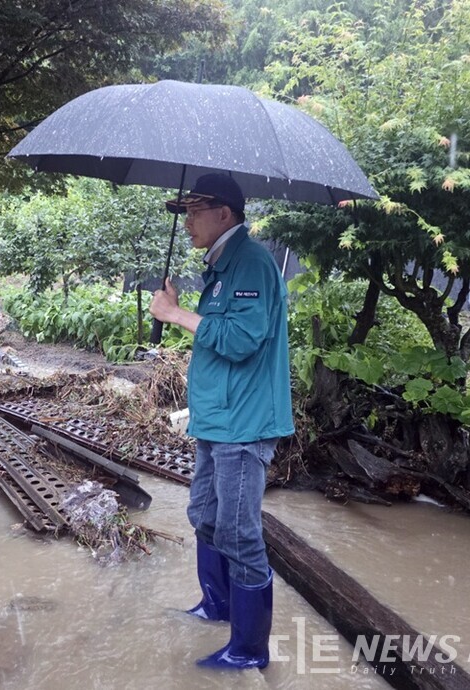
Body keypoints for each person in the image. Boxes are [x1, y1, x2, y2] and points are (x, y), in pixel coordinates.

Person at [149, 173, 294, 670]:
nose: (187, 222)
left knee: (238, 532)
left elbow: (240, 340)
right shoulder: (221, 268)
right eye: (184, 212)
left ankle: (249, 650)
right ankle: (217, 606)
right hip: (217, 421)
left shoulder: (250, 263)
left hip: (244, 424)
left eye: (194, 211)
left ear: (225, 214)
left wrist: (176, 313)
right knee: (205, 517)